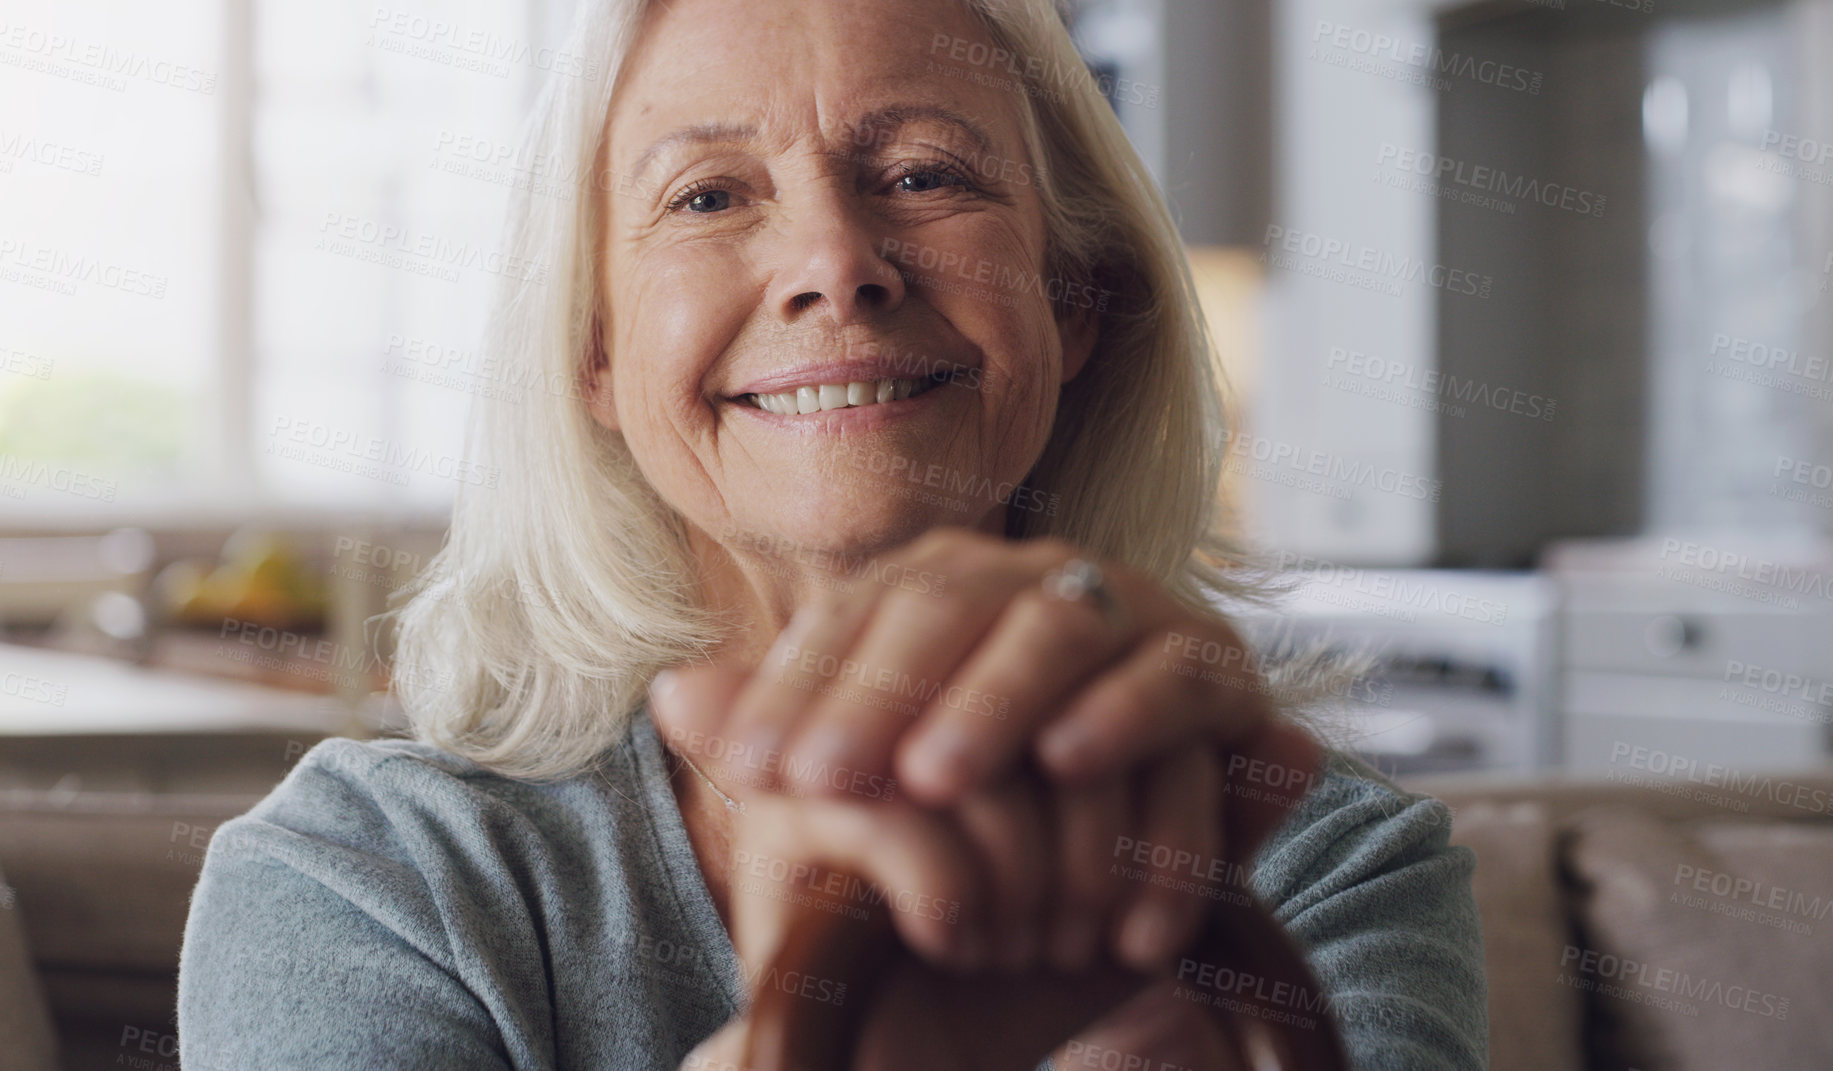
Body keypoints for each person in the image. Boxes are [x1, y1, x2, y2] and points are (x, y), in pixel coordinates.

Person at [176, 1, 1488, 1068]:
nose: (833, 260)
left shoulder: (1319, 865)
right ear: (593, 350)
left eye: (923, 174)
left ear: (1072, 303)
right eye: (705, 196)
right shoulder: (368, 880)